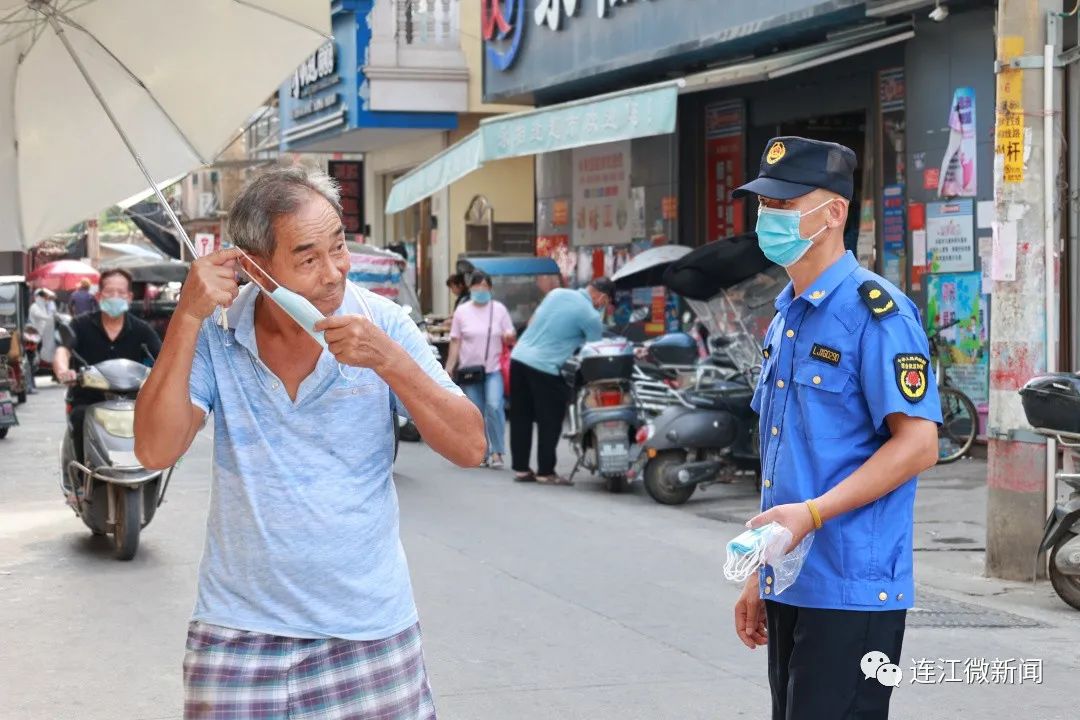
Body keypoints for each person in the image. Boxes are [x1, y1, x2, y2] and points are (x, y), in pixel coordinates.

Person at [132, 166, 485, 719]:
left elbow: (470, 446)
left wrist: (389, 362)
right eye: (307, 258)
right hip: (238, 635)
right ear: (254, 267)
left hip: (369, 633)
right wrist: (187, 315)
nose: (333, 273)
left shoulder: (382, 323)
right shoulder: (217, 336)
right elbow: (154, 449)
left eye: (338, 246)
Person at [730, 137, 941, 720]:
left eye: (787, 203)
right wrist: (760, 574)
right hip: (791, 580)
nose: (770, 217)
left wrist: (813, 515)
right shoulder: (786, 316)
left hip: (853, 587)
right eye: (765, 204)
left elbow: (920, 443)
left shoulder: (877, 314)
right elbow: (786, 458)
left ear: (835, 213)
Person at [53, 269, 162, 471]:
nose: (115, 297)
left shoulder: (142, 329)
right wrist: (63, 371)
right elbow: (63, 351)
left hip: (134, 404)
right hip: (89, 399)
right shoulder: (80, 324)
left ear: (129, 297)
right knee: (78, 418)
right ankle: (78, 477)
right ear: (99, 295)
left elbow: (163, 359)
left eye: (121, 293)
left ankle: (150, 472)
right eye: (109, 292)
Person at [508, 277, 613, 485]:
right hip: (545, 367)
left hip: (518, 359)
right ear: (601, 296)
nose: (604, 306)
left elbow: (532, 322)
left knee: (521, 417)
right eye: (607, 302)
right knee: (551, 421)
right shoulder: (591, 316)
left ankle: (521, 469)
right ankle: (545, 471)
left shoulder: (556, 293)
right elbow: (595, 351)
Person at [444, 271, 515, 469]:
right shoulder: (462, 311)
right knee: (476, 414)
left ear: (490, 289)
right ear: (471, 287)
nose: (481, 290)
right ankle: (481, 452)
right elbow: (456, 341)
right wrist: (449, 367)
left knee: (494, 406)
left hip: (493, 369)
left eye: (485, 286)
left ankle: (498, 452)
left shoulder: (499, 309)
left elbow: (509, 333)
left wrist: (509, 336)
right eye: (477, 286)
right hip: (469, 370)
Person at [26, 288, 58, 393]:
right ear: (39, 297)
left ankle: (32, 384)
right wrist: (52, 316)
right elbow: (43, 317)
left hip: (39, 337)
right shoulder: (35, 307)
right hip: (32, 339)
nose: (46, 299)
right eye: (45, 297)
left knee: (35, 362)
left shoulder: (42, 307)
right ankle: (30, 385)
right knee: (31, 362)